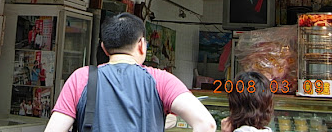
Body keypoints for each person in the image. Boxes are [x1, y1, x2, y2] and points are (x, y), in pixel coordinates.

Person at [44, 12, 216, 132]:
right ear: (141, 45)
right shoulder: (161, 80)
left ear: (104, 48)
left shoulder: (81, 78)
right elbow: (206, 124)